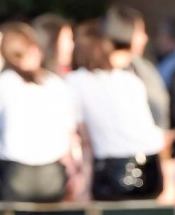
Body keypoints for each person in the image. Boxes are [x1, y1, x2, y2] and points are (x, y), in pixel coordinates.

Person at [65, 23, 166, 200]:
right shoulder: (131, 80)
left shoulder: (74, 82)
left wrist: (85, 185)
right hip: (151, 170)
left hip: (112, 172)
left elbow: (85, 141)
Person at [0, 21, 77, 201]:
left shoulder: (2, 84)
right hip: (54, 177)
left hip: (14, 176)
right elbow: (69, 135)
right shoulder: (56, 83)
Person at [103, 4, 171, 131]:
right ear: (125, 31)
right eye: (140, 32)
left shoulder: (141, 67)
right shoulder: (101, 72)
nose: (145, 38)